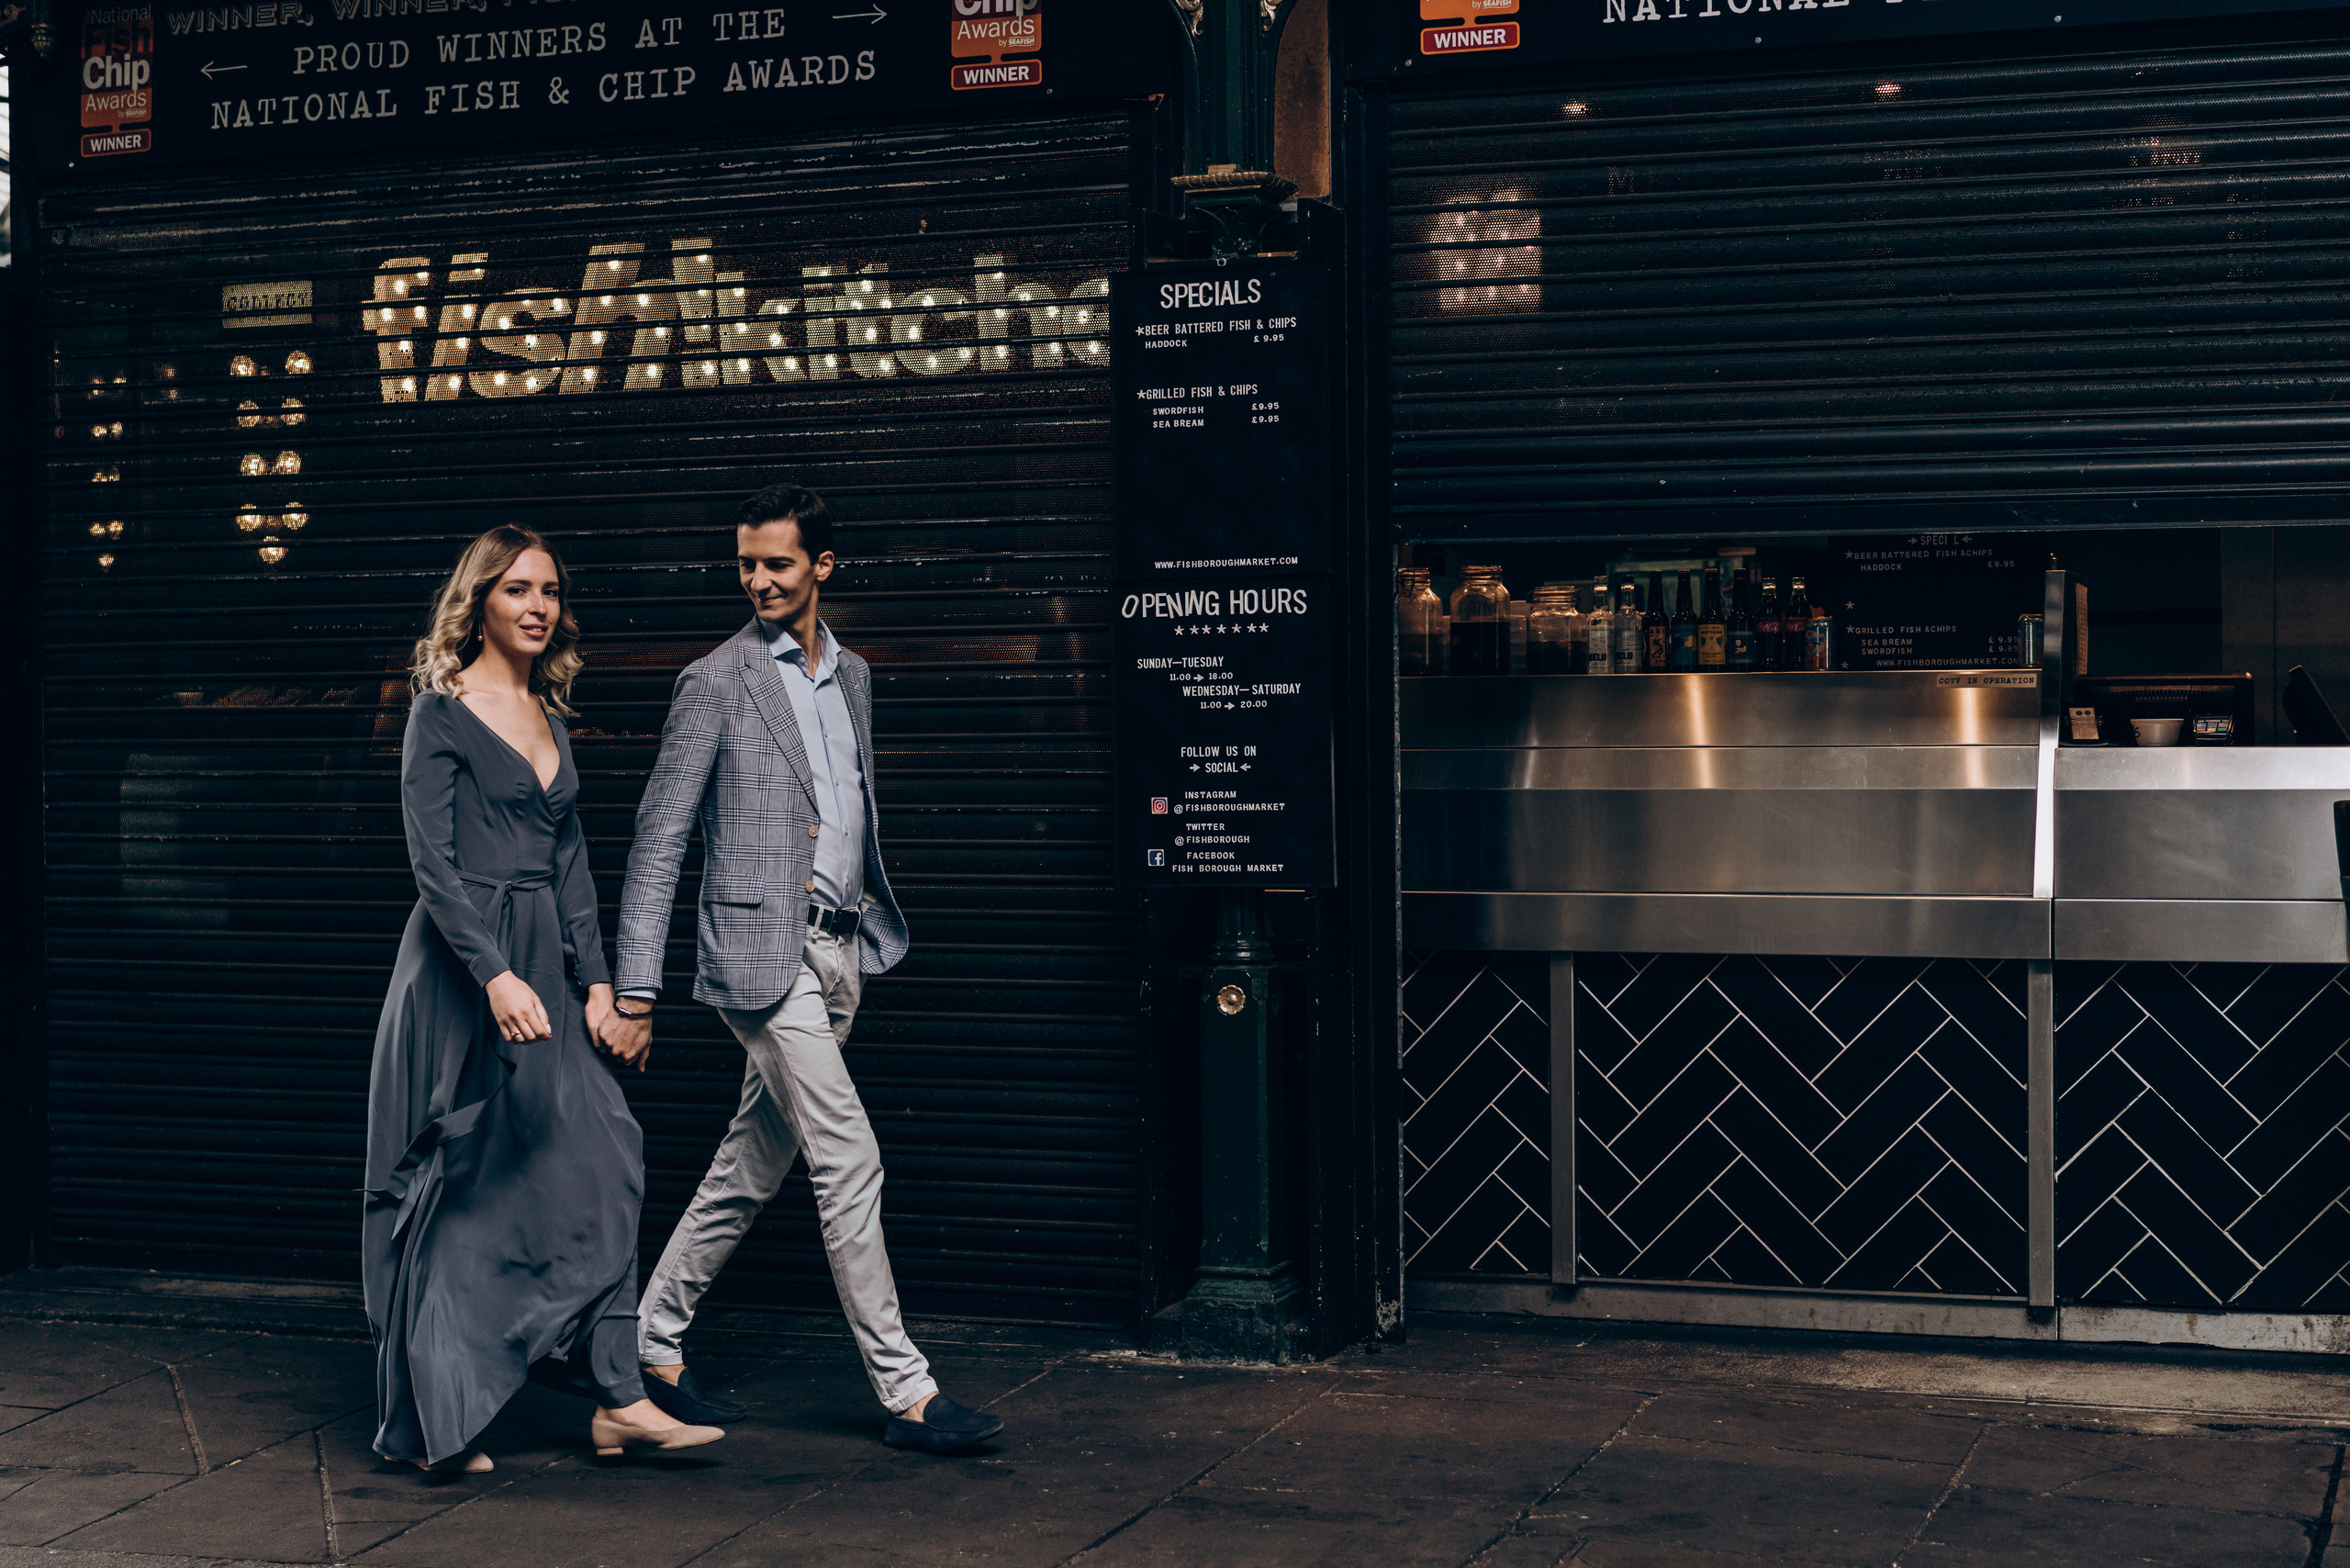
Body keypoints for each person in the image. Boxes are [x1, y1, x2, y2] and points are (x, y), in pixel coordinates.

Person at [602, 483, 1004, 1454]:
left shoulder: (852, 674)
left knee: (753, 1163)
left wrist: (854, 928)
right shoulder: (714, 680)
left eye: (777, 563)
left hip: (840, 947)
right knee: (848, 1156)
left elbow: (846, 808)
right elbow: (658, 839)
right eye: (746, 563)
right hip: (762, 956)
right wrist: (636, 988)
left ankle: (647, 1340)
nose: (758, 580)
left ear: (823, 565)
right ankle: (906, 1390)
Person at [363, 526, 724, 1472]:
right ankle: (434, 1417)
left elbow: (569, 866)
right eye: (517, 588)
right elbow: (433, 865)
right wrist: (494, 975)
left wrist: (599, 982)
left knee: (608, 1155)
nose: (538, 606)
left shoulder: (549, 717)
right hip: (462, 968)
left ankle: (619, 1400)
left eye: (550, 590)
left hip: (545, 968)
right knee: (461, 1181)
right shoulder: (441, 712)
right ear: (478, 600)